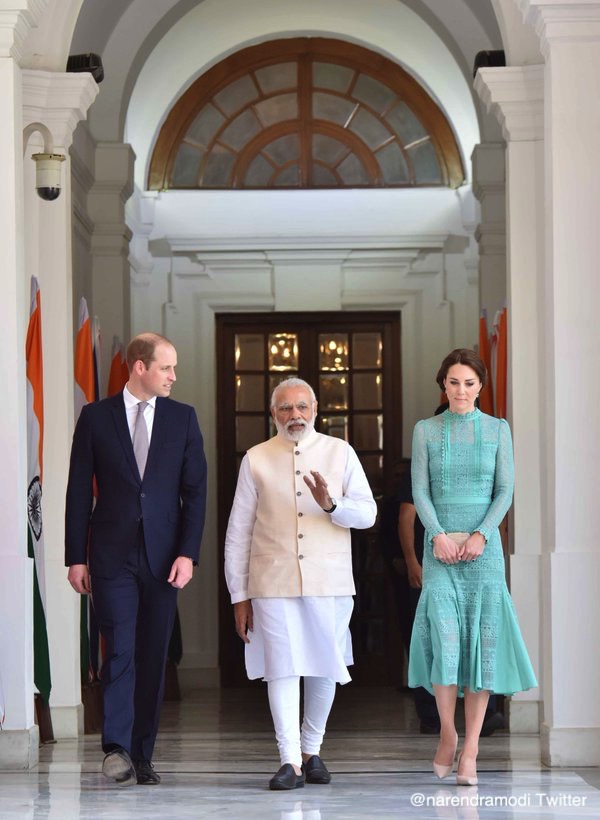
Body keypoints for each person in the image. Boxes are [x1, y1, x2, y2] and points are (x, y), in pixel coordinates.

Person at [65, 332, 207, 786]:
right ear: (140, 367)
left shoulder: (183, 419)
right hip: (109, 555)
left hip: (165, 558)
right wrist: (75, 556)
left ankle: (143, 754)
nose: (173, 376)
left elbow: (195, 493)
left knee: (151, 654)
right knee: (119, 648)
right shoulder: (95, 417)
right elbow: (76, 490)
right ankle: (117, 749)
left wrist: (188, 553)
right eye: (166, 367)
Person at [224, 377, 377, 790]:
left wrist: (332, 504)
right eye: (286, 408)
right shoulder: (255, 458)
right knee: (282, 669)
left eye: (302, 407)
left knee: (326, 666)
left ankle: (313, 750)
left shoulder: (339, 452)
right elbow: (238, 531)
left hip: (329, 580)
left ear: (315, 411)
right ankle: (289, 760)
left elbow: (368, 514)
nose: (295, 415)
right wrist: (239, 595)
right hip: (271, 580)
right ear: (273, 414)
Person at [408, 348, 537, 786]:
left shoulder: (499, 430)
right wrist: (438, 534)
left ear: (480, 387)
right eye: (453, 382)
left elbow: (505, 490)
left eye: (469, 383)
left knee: (481, 651)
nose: (461, 390)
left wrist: (482, 533)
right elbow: (419, 491)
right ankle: (447, 736)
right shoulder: (425, 430)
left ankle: (472, 751)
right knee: (446, 643)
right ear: (442, 385)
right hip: (440, 548)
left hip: (485, 552)